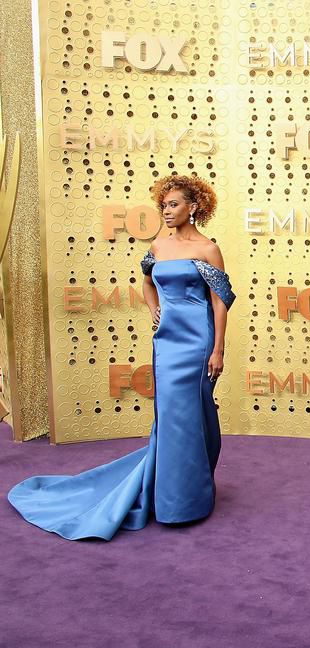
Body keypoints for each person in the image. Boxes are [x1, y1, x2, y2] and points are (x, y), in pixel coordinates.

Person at [8, 174, 235, 540]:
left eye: (173, 204)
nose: (166, 211)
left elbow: (220, 300)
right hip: (167, 341)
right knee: (171, 415)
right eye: (163, 205)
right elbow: (147, 280)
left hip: (198, 341)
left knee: (192, 412)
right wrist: (154, 309)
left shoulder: (208, 249)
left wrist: (218, 348)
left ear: (194, 208)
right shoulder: (158, 246)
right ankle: (171, 494)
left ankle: (188, 497)